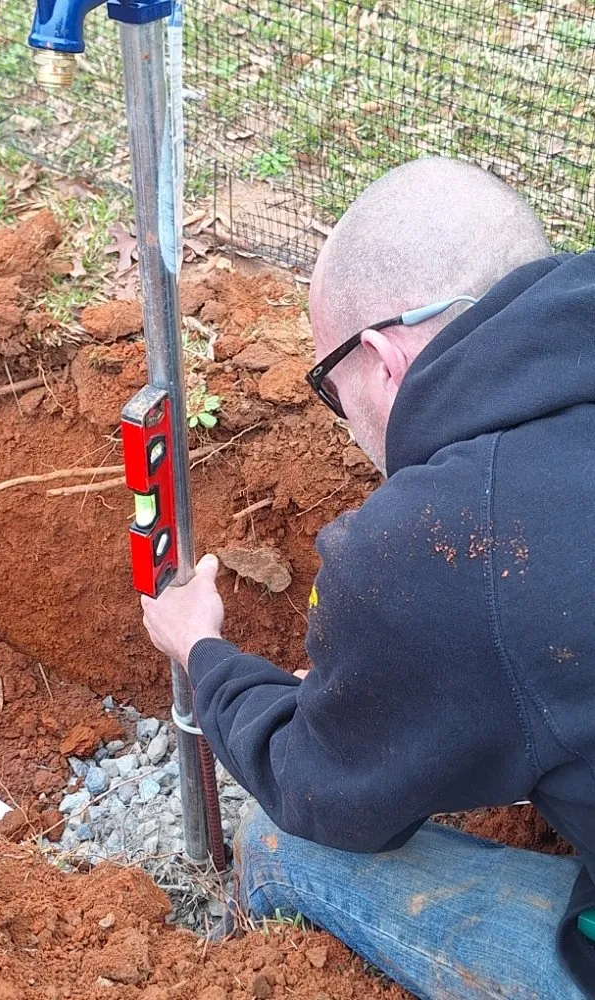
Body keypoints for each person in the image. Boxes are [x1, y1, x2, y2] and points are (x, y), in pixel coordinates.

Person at [140, 156, 595, 999]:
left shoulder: (455, 540)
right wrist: (386, 680)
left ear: (383, 360)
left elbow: (327, 796)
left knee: (284, 849)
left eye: (329, 387)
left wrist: (203, 653)